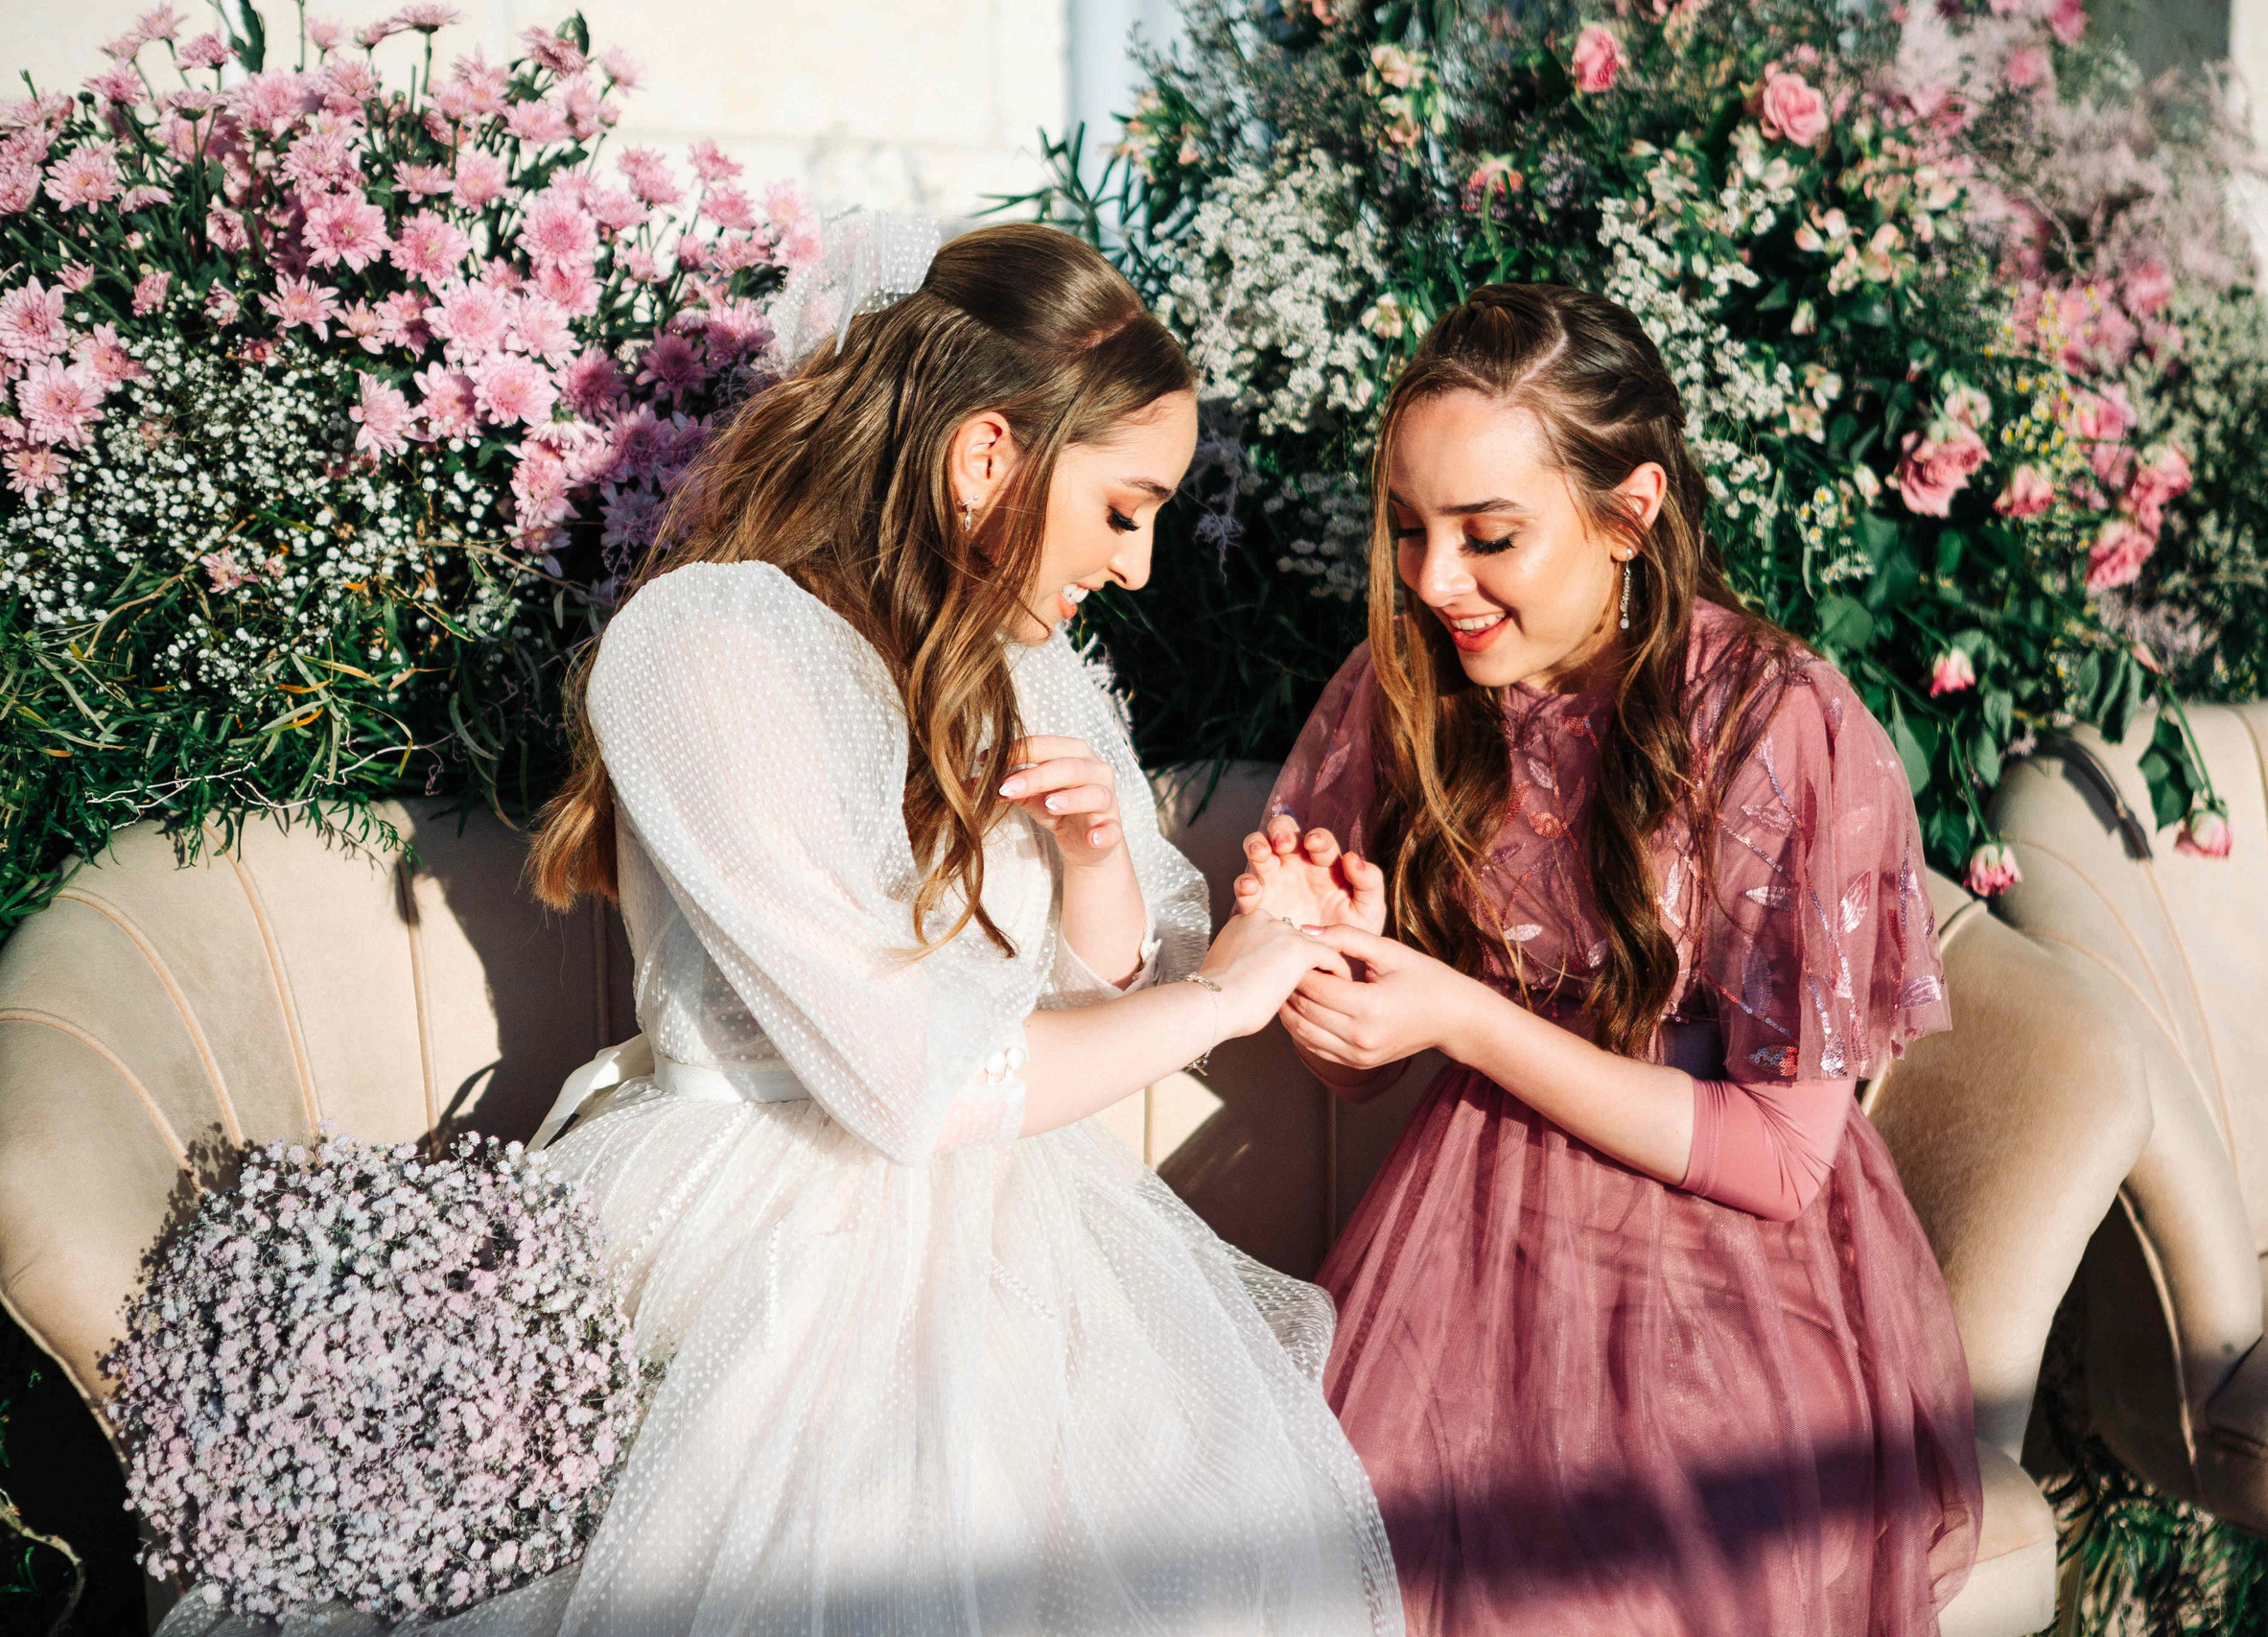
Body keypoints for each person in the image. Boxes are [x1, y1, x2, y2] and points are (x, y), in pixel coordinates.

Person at [156, 222, 1399, 1637]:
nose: (1138, 566)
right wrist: (1225, 999)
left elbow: (1091, 993)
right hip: (765, 1241)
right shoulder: (714, 645)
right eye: (1123, 508)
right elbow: (908, 1079)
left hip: (1027, 1238)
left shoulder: (1025, 662)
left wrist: (1097, 858)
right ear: (986, 454)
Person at [1238, 283, 1982, 1635]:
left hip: (1730, 1280)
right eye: (1407, 527)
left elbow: (1779, 1160)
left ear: (1630, 512)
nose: (1432, 581)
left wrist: (1463, 1018)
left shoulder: (1773, 722)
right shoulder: (1407, 690)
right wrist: (1329, 966)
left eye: (1489, 536)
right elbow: (1362, 1071)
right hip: (1464, 1244)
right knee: (1340, 1560)